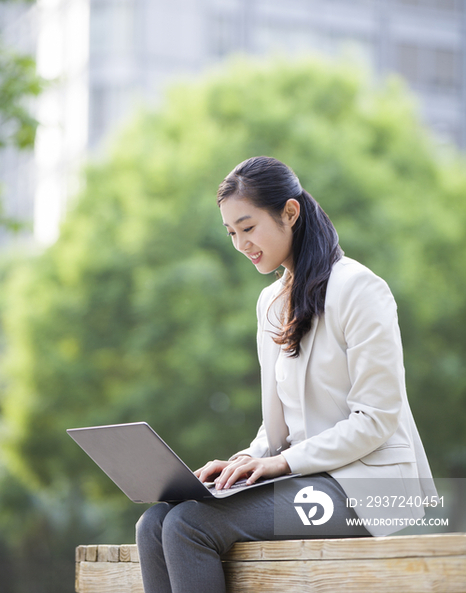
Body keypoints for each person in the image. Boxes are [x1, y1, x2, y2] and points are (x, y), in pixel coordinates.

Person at [136, 156, 437, 593]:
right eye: (232, 233)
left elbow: (376, 419)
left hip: (369, 488)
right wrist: (244, 461)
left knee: (189, 525)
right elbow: (280, 424)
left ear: (290, 213)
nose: (241, 243)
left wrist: (282, 462)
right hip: (307, 477)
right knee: (154, 522)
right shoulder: (270, 302)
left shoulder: (360, 289)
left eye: (249, 227)